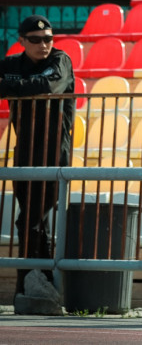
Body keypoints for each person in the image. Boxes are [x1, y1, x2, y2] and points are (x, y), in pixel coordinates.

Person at [0, 15, 75, 305]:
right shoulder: (12, 64)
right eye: (35, 40)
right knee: (31, 219)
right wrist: (22, 85)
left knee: (31, 218)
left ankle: (29, 285)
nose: (43, 44)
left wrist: (10, 86)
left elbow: (48, 85)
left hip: (54, 150)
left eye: (48, 39)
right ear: (21, 41)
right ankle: (37, 284)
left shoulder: (60, 59)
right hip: (25, 150)